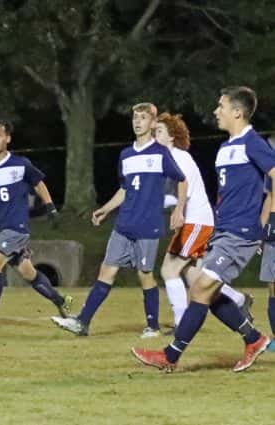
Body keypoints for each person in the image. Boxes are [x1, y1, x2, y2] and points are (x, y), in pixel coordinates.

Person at [132, 86, 274, 372]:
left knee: (200, 287)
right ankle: (254, 338)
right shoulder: (224, 149)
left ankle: (169, 356)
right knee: (205, 291)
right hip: (223, 229)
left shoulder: (253, 143)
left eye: (221, 106)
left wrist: (266, 222)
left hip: (241, 233)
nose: (215, 111)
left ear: (237, 111)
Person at [51, 103, 187, 338]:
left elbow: (181, 180)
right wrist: (105, 209)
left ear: (153, 123)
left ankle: (152, 327)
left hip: (147, 225)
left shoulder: (160, 153)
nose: (138, 122)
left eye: (143, 118)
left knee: (144, 275)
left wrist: (179, 209)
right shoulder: (126, 155)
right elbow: (125, 189)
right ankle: (82, 322)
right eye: (135, 117)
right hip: (124, 224)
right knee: (106, 271)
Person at [0, 119, 73, 328]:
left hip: (16, 228)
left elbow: (39, 184)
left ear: (8, 139)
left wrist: (51, 208)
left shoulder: (21, 164)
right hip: (0, 229)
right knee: (28, 272)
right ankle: (61, 300)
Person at [155, 112, 252, 330]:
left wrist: (175, 209)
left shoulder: (178, 156)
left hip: (196, 221)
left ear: (171, 136)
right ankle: (237, 299)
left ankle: (180, 322)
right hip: (196, 221)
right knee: (196, 278)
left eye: (159, 131)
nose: (154, 135)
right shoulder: (168, 158)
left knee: (169, 270)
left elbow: (184, 188)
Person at [259, 179, 275, 352]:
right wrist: (261, 231)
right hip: (273, 235)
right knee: (272, 286)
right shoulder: (271, 167)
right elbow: (270, 198)